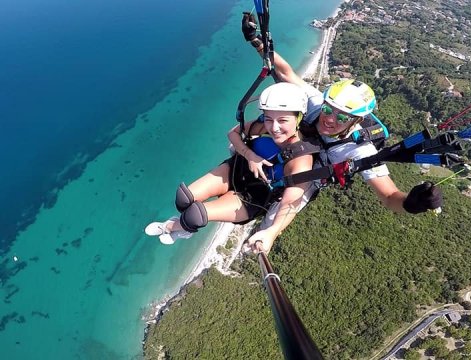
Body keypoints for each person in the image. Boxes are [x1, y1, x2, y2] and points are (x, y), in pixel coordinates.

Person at [241, 13, 443, 235]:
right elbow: (284, 72)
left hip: (311, 175)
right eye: (328, 109)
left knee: (276, 218)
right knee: (241, 150)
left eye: (342, 117)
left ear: (356, 120)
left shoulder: (360, 149)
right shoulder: (317, 102)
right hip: (293, 151)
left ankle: (264, 236)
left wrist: (412, 203)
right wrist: (256, 41)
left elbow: (388, 197)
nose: (329, 118)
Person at [145, 82, 316, 253]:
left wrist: (271, 232)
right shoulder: (264, 125)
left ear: (299, 118)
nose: (275, 128)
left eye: (283, 120)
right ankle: (184, 227)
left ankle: (173, 227)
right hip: (237, 170)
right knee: (183, 199)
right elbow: (233, 133)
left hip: (253, 197)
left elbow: (291, 202)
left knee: (195, 216)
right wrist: (250, 156)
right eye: (269, 119)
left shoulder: (301, 159)